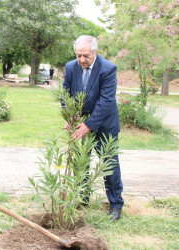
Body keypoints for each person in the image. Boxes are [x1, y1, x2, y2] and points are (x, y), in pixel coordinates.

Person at [62, 35, 123, 222]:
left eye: (85, 55)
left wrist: (89, 125)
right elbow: (66, 93)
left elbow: (106, 101)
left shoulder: (108, 69)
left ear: (95, 52)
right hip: (79, 123)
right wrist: (69, 116)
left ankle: (115, 204)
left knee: (109, 165)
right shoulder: (71, 67)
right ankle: (82, 198)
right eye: (78, 55)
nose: (81, 59)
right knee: (81, 163)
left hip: (105, 125)